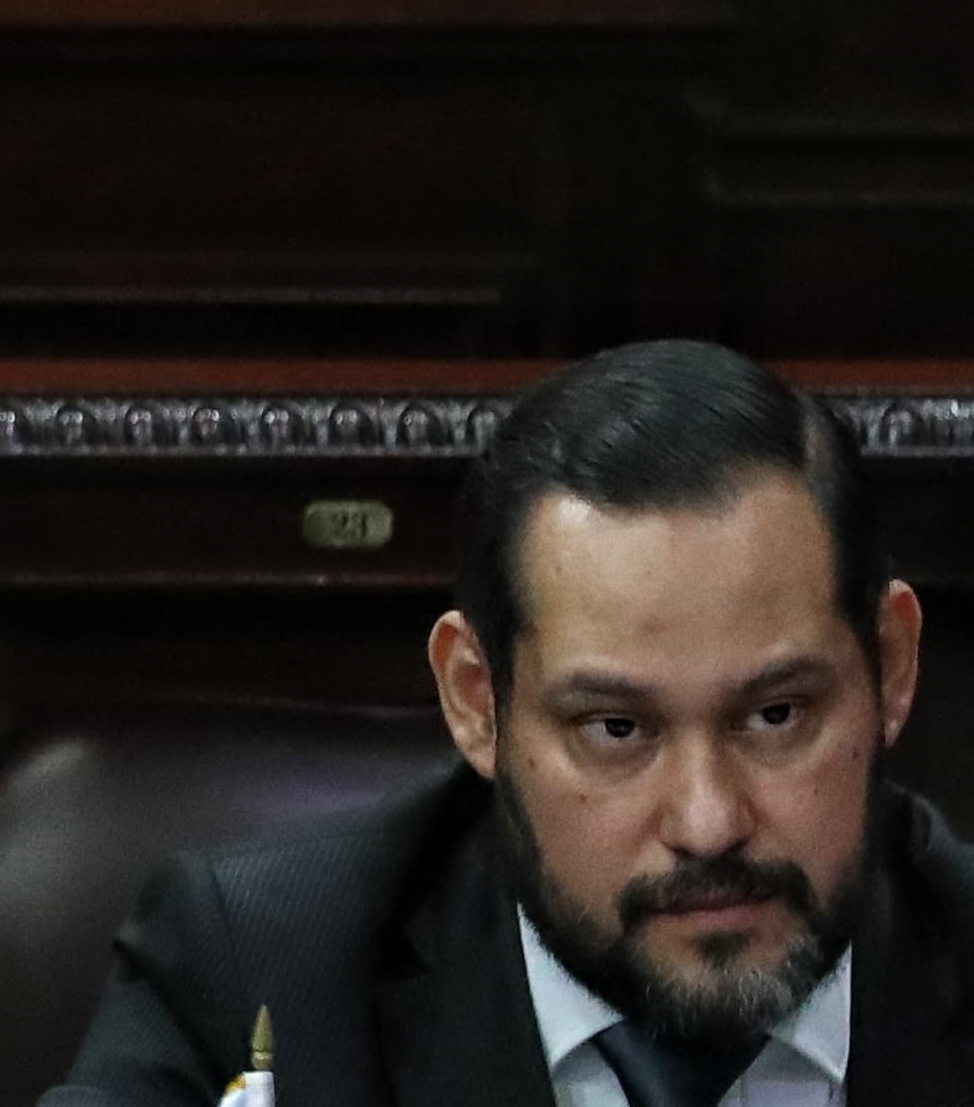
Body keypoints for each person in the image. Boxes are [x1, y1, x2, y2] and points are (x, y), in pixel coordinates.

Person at [53, 340, 974, 1105]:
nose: (708, 822)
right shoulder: (256, 974)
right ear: (474, 701)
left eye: (776, 716)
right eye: (617, 730)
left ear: (890, 667)